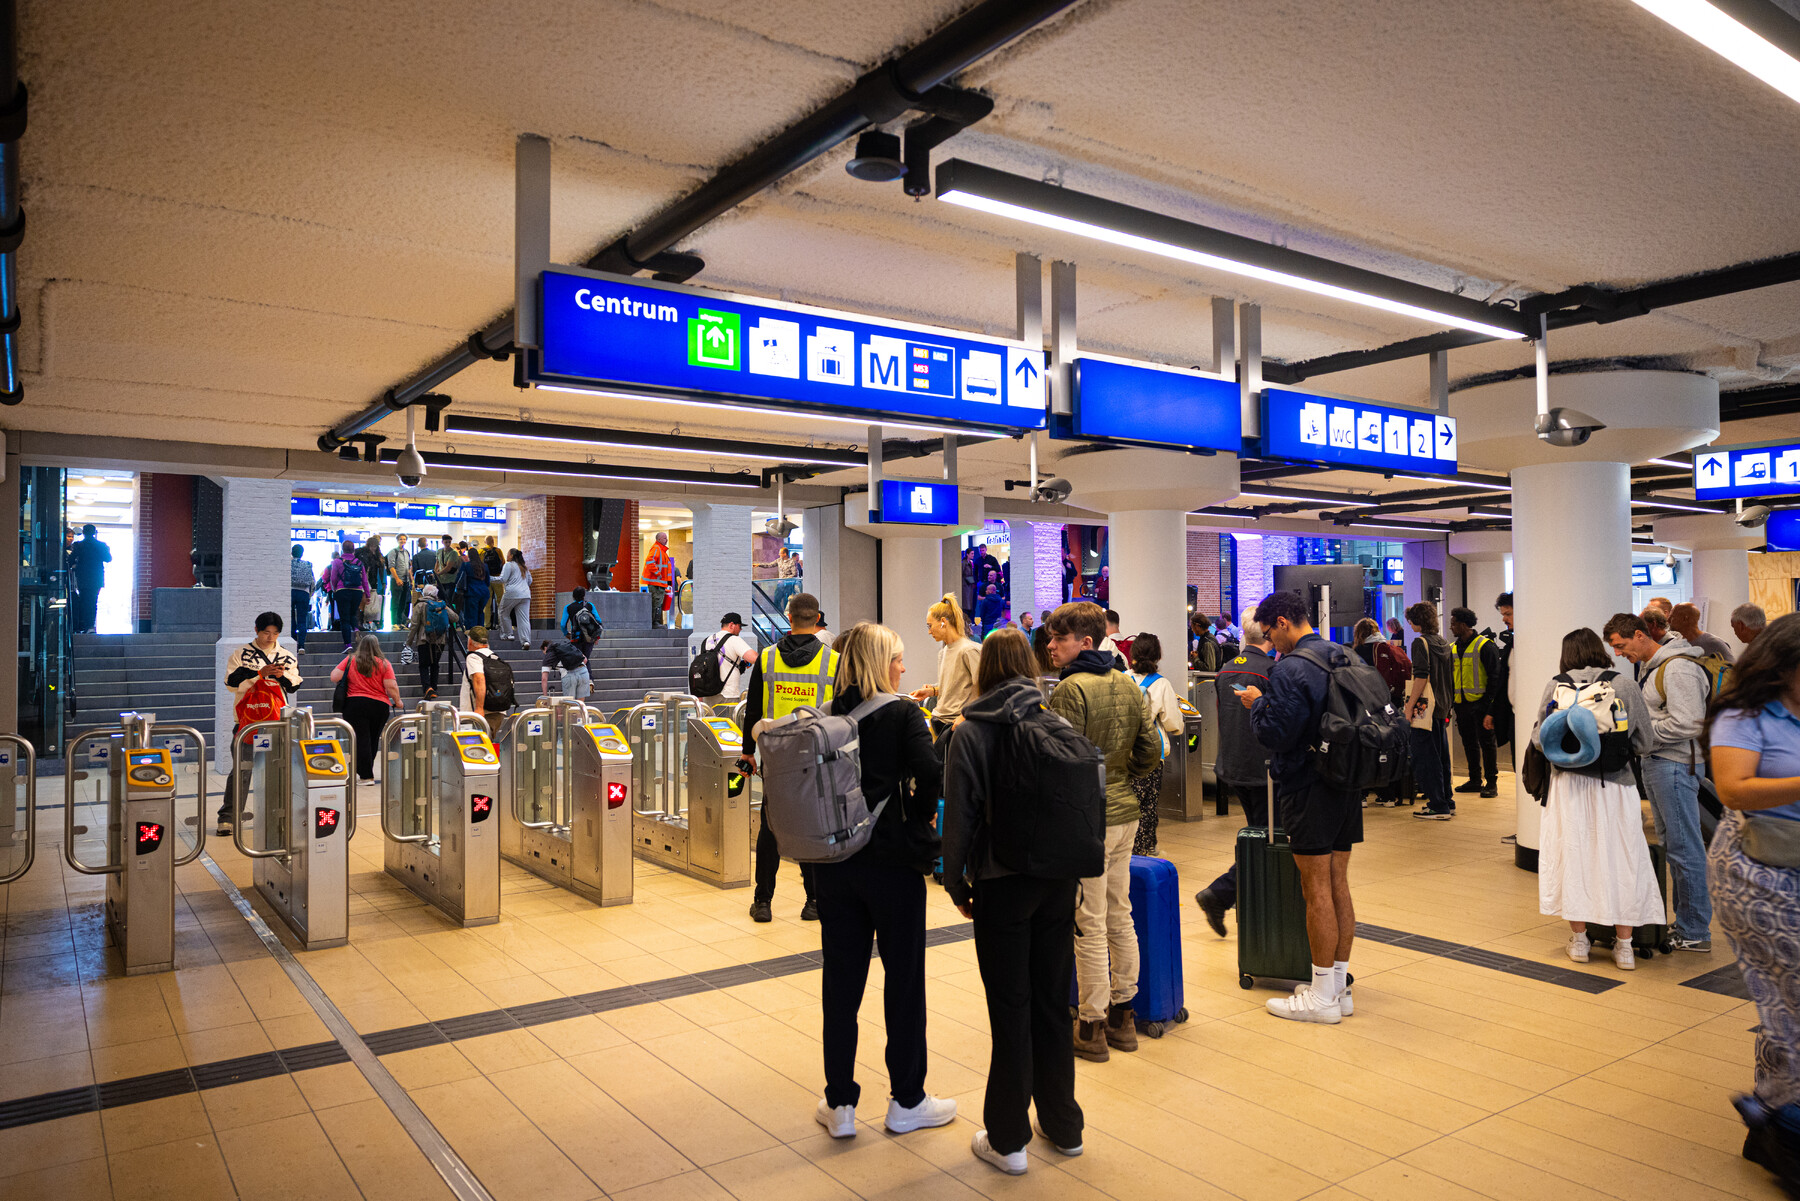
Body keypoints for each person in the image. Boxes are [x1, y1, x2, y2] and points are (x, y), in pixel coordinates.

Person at [941, 628, 1085, 1176]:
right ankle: (1064, 1125)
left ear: (984, 672)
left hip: (1002, 884)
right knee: (1052, 1003)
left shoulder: (971, 732)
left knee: (1010, 1009)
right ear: (1027, 666)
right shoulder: (1056, 721)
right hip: (1057, 880)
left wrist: (956, 882)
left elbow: (959, 817)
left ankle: (1007, 1140)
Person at [806, 622, 955, 1142]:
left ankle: (840, 1103)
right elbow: (931, 772)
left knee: (840, 984)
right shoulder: (902, 713)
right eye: (897, 658)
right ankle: (907, 1101)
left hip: (836, 866)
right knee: (904, 981)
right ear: (877, 662)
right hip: (894, 865)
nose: (903, 668)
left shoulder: (827, 715)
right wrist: (918, 813)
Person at [1704, 613, 1800, 1188]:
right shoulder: (1743, 716)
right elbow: (1734, 789)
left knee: (1786, 1001)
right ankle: (1781, 1121)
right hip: (1758, 873)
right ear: (1784, 667)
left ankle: (1770, 1114)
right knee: (1791, 995)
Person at [1044, 601, 1159, 1060]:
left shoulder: (1070, 690)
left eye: (1060, 638)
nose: (1051, 646)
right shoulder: (1129, 683)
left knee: (1088, 923)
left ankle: (1090, 1026)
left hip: (1087, 820)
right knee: (1119, 914)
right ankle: (1123, 1017)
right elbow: (1151, 751)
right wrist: (1121, 777)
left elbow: (1060, 762)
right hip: (1125, 814)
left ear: (1086, 642)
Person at [1239, 590, 1360, 1024]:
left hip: (1309, 786)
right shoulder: (1343, 654)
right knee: (1338, 883)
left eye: (1270, 633)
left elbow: (1277, 733)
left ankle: (1322, 996)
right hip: (1347, 781)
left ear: (1283, 622)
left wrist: (1257, 704)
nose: (1270, 643)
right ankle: (1338, 988)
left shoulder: (1291, 667)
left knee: (1316, 889)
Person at [1532, 628, 1662, 970]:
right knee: (1622, 858)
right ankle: (1625, 947)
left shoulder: (1556, 685)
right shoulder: (1623, 685)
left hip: (1568, 786)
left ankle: (1579, 941)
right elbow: (1645, 742)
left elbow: (1539, 739)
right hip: (1615, 786)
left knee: (1574, 858)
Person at [1604, 612, 1714, 952]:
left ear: (1640, 635)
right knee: (1674, 847)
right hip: (1658, 764)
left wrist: (1642, 733)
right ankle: (1686, 923)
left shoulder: (1677, 668)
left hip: (1675, 766)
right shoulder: (1650, 667)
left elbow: (1689, 723)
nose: (1618, 653)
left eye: (1621, 645)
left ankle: (1695, 930)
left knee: (1685, 848)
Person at [740, 591, 833, 923]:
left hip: (775, 756)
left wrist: (748, 753)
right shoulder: (833, 661)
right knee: (811, 826)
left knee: (770, 826)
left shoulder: (766, 658)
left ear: (789, 618)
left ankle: (763, 902)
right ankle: (814, 901)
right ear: (817, 619)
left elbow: (753, 710)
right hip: (817, 756)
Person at [1195, 614, 1274, 936]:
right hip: (1263, 768)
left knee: (1257, 833)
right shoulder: (1270, 671)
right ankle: (1221, 893)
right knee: (1269, 837)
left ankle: (1244, 898)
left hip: (1232, 763)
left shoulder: (1226, 668)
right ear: (1269, 633)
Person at [218, 611, 302, 833]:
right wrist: (259, 674)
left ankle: (276, 816)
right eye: (266, 632)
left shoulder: (285, 655)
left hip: (277, 722)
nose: (270, 637)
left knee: (277, 770)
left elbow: (294, 685)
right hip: (246, 721)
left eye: (275, 633)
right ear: (256, 630)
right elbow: (231, 684)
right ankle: (228, 818)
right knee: (242, 770)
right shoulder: (241, 654)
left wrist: (280, 676)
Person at [1128, 634, 1183, 857]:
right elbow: (1173, 723)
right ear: (1158, 655)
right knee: (1148, 805)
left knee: (1127, 803)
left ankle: (1125, 850)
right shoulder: (1161, 684)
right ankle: (1145, 849)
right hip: (1150, 753)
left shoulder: (1121, 679)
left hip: (1123, 751)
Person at [1404, 602, 1456, 819]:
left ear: (1418, 621)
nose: (1410, 624)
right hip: (1442, 705)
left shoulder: (1420, 643)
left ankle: (1437, 805)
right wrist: (1450, 705)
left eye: (1411, 621)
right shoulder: (1443, 642)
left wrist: (1409, 707)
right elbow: (1450, 676)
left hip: (1426, 708)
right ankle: (1447, 800)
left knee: (1426, 757)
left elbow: (1421, 676)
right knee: (1441, 755)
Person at [1352, 617, 1410, 808]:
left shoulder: (1359, 651)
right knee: (1387, 747)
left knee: (1366, 747)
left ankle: (1362, 794)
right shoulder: (1390, 647)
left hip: (1366, 706)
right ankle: (1388, 794)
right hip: (1389, 705)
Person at [331, 634, 402, 783]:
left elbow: (334, 677)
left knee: (361, 739)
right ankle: (366, 772)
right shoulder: (384, 663)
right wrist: (398, 701)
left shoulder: (350, 660)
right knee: (373, 739)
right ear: (377, 647)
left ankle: (365, 774)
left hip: (354, 704)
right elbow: (391, 686)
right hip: (379, 706)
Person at [910, 594, 980, 742]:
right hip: (940, 721)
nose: (929, 631)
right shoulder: (944, 652)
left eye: (930, 626)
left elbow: (983, 689)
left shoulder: (969, 650)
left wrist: (965, 715)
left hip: (957, 726)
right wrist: (932, 691)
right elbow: (956, 686)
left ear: (943, 622)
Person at [1448, 606, 1501, 799]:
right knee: (1469, 743)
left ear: (1463, 624)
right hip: (1461, 705)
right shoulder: (1452, 648)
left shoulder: (1485, 646)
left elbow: (1495, 678)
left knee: (1487, 744)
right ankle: (1475, 780)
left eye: (1453, 623)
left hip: (1481, 705)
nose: (1451, 627)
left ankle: (1491, 783)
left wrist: (1488, 706)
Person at [406, 583, 459, 699]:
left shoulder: (420, 605)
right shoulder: (441, 605)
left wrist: (408, 642)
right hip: (440, 641)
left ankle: (427, 688)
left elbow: (414, 625)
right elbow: (455, 618)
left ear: (424, 593)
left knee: (424, 665)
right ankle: (434, 688)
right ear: (436, 594)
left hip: (424, 640)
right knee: (435, 665)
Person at [696, 613, 756, 707]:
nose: (741, 629)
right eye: (740, 626)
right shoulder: (734, 639)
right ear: (732, 625)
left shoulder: (706, 641)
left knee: (710, 717)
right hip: (728, 694)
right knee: (728, 717)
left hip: (708, 695)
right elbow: (754, 658)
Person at [321, 539, 371, 650]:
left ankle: (348, 644)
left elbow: (333, 578)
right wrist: (367, 595)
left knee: (344, 619)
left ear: (342, 549)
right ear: (353, 550)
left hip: (342, 591)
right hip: (357, 592)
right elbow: (364, 580)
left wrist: (334, 589)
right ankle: (356, 629)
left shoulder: (337, 562)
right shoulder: (359, 562)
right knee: (353, 614)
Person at [67, 523, 113, 633]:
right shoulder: (101, 545)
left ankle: (85, 625)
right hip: (97, 577)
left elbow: (70, 561)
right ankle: (90, 625)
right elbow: (108, 559)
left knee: (83, 600)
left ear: (83, 533)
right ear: (94, 532)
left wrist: (74, 565)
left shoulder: (78, 545)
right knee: (93, 600)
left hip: (82, 576)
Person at [460, 627, 512, 719]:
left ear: (470, 641)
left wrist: (479, 708)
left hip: (479, 715)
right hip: (498, 711)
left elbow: (479, 678)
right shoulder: (494, 657)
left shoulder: (473, 657)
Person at [495, 549, 533, 645]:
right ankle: (526, 641)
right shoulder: (524, 567)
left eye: (508, 554)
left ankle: (508, 634)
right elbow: (530, 581)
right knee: (524, 619)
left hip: (512, 593)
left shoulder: (508, 565)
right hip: (525, 594)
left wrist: (489, 578)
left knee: (503, 612)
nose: (506, 556)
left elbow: (503, 579)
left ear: (511, 555)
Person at [1493, 592, 1516, 750]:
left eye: (1508, 614)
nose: (1504, 619)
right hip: (1513, 715)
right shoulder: (1511, 645)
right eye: (1503, 615)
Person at [643, 530, 676, 628]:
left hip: (660, 583)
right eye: (665, 538)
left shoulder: (661, 551)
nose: (667, 540)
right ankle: (655, 623)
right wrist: (657, 573)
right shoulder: (656, 549)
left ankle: (657, 622)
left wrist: (668, 582)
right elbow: (650, 562)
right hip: (656, 583)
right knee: (656, 602)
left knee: (659, 602)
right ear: (659, 539)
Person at [456, 542, 491, 631]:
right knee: (480, 612)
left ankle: (472, 633)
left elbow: (459, 578)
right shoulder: (485, 566)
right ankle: (480, 632)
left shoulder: (466, 565)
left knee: (471, 614)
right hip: (484, 592)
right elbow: (488, 581)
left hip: (471, 592)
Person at [562, 586, 602, 662]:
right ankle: (587, 670)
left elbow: (563, 624)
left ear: (573, 596)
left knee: (578, 661)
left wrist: (566, 633)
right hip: (589, 638)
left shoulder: (568, 607)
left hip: (575, 638)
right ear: (584, 595)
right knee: (586, 660)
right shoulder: (590, 605)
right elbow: (598, 620)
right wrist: (597, 637)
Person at [358, 535, 387, 631]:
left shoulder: (377, 555)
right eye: (372, 546)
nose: (373, 548)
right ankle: (361, 621)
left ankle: (367, 621)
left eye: (375, 546)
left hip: (372, 582)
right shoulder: (364, 554)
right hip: (365, 581)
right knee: (364, 602)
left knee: (369, 602)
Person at [290, 544, 315, 652]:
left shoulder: (288, 564)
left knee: (291, 618)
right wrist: (310, 594)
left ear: (292, 553)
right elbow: (312, 581)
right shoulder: (308, 564)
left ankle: (293, 641)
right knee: (302, 619)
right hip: (303, 593)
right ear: (302, 553)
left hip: (290, 592)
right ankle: (301, 646)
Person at [386, 536, 414, 630]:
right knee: (395, 602)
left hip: (405, 581)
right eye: (401, 539)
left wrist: (411, 580)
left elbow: (409, 567)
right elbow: (391, 567)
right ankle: (394, 623)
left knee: (403, 603)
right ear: (397, 540)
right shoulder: (393, 552)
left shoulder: (406, 552)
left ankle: (401, 622)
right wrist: (397, 579)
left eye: (404, 539)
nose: (403, 541)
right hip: (396, 580)